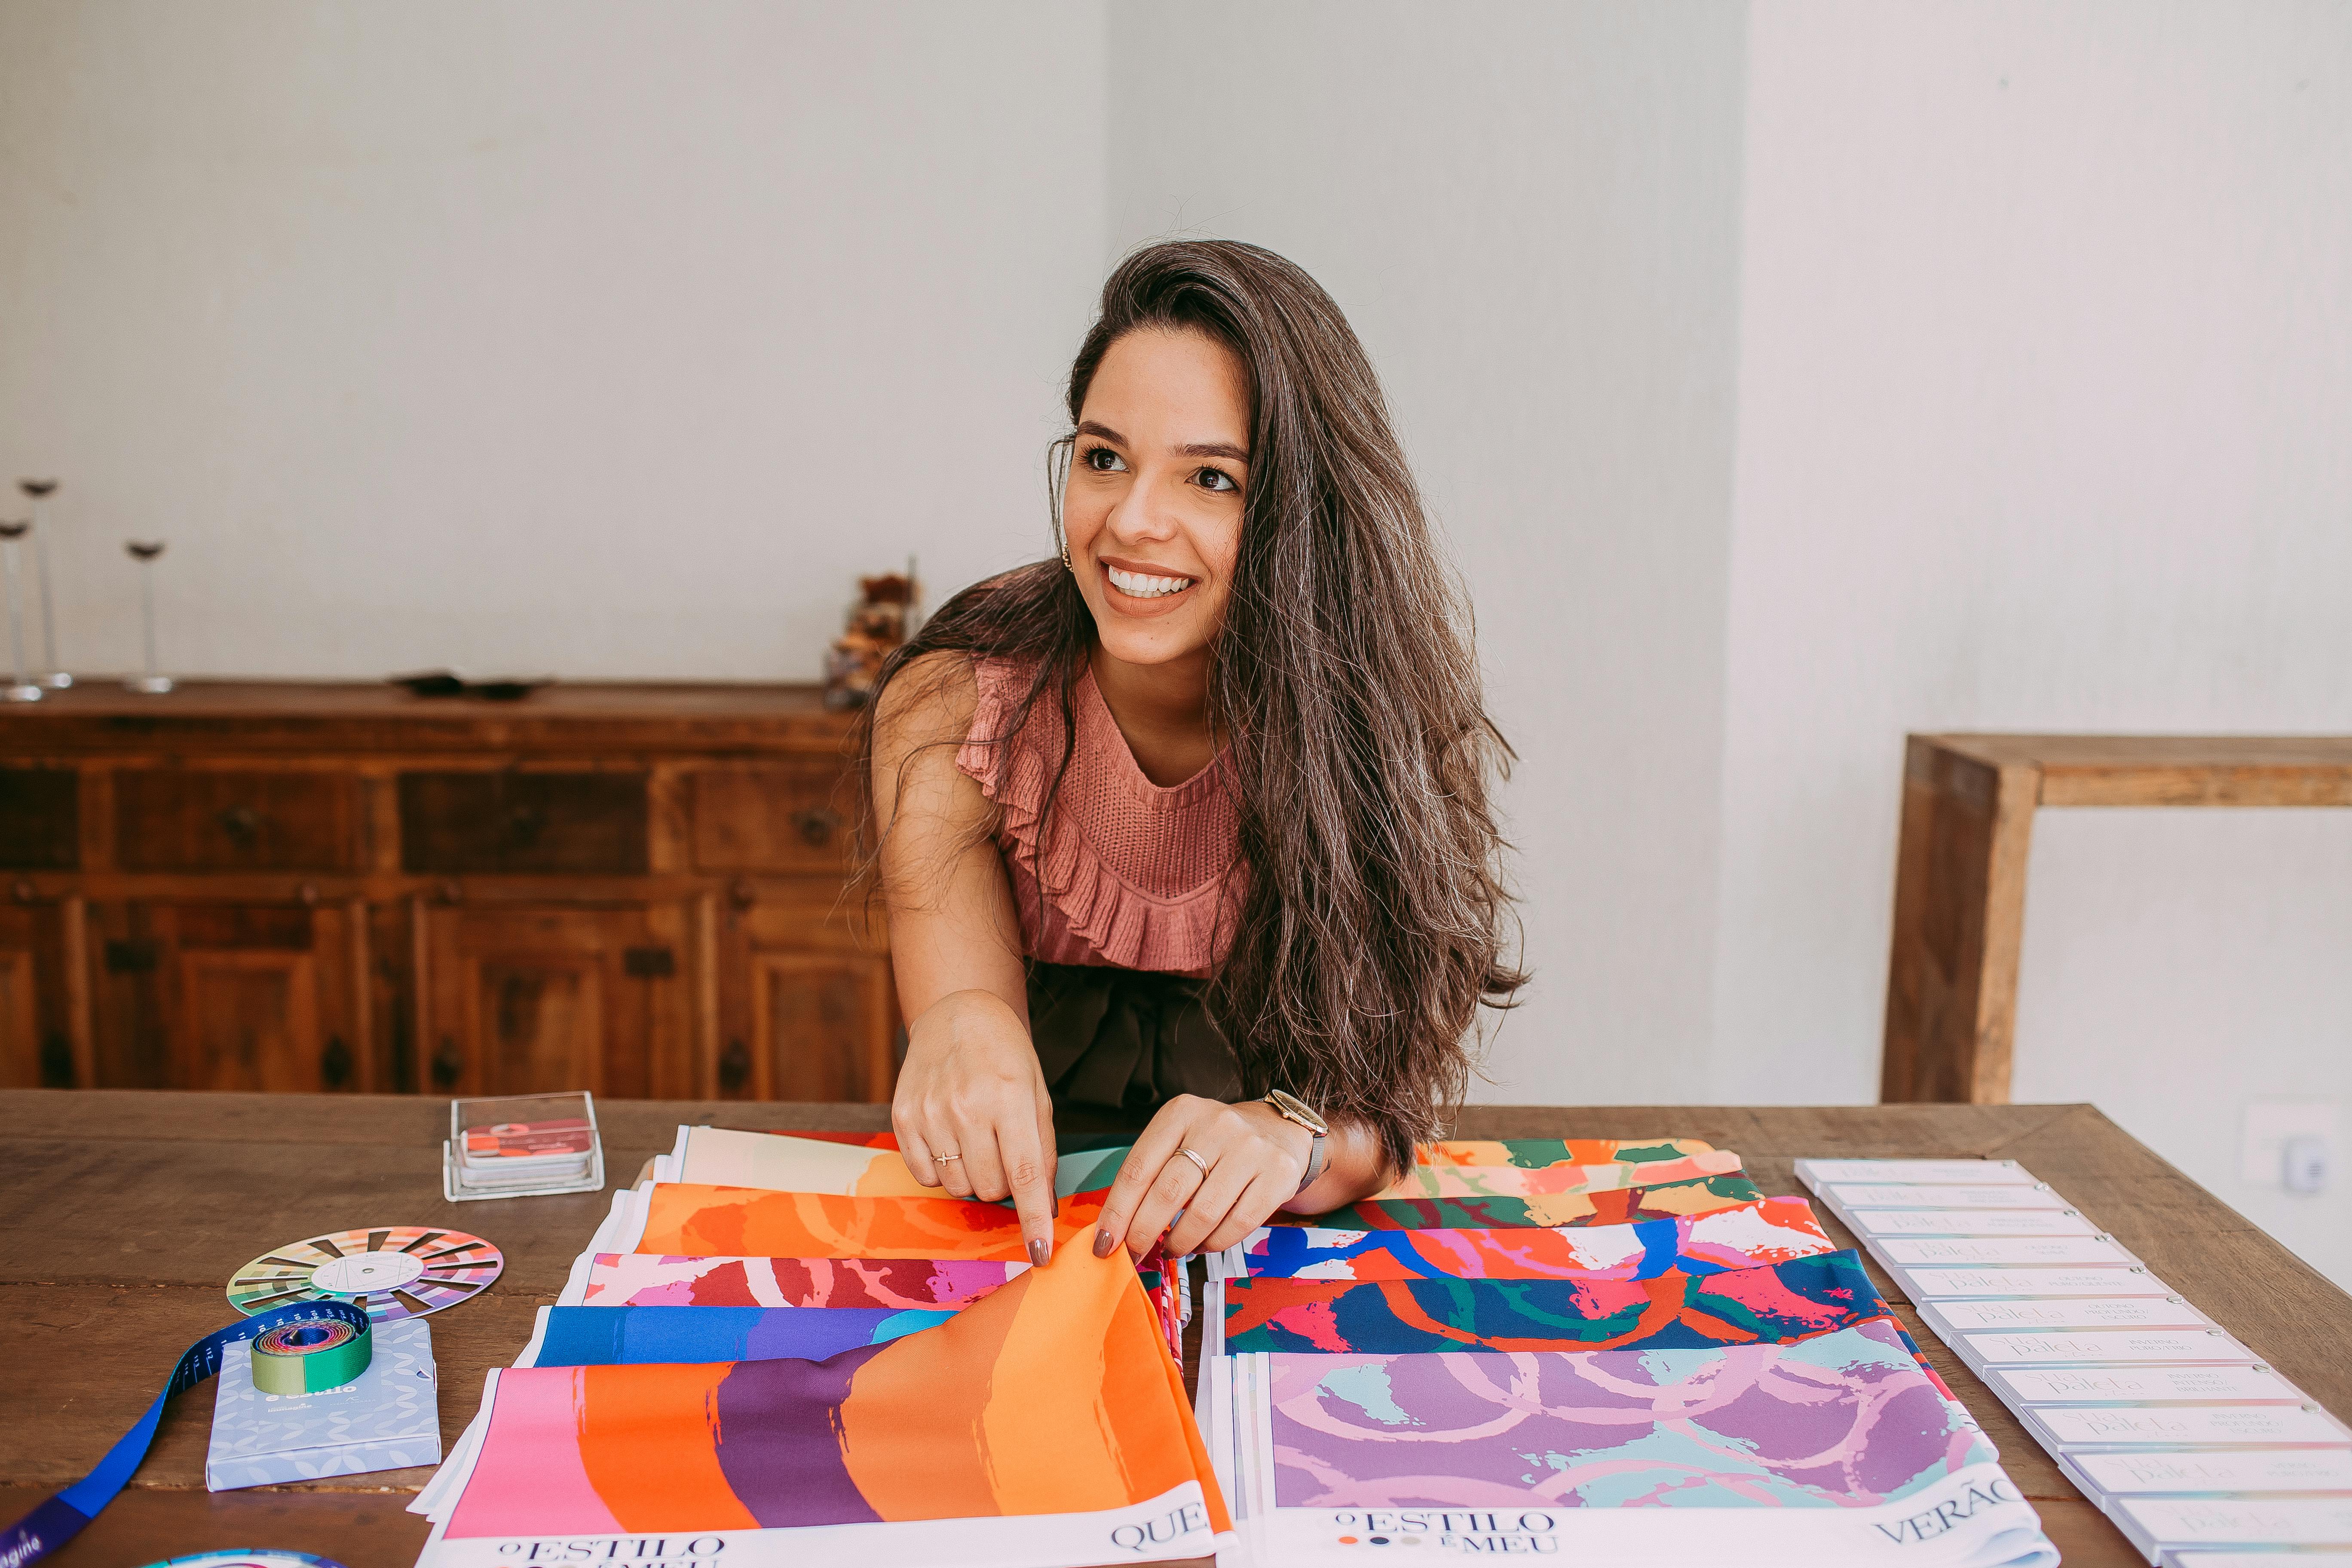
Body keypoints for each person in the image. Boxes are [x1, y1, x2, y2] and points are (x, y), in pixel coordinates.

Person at [860, 239, 1520, 1271]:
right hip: (1009, 1233)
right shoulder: (955, 700)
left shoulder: (1381, 716)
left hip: (1275, 1247)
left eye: (1210, 478)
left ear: (1302, 509)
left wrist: (1292, 1138)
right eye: (1103, 457)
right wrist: (960, 1028)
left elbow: (1381, 1116)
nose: (1131, 521)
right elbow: (959, 1013)